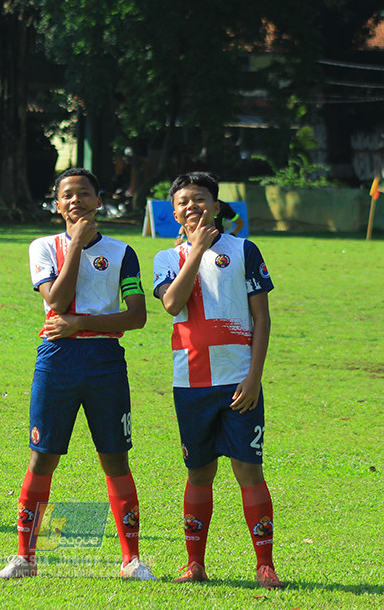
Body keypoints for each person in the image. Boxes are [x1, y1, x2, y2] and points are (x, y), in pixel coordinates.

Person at [0, 168, 156, 581]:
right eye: (68, 194)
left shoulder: (122, 253)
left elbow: (137, 316)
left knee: (115, 457)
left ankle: (131, 561)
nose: (76, 200)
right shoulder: (43, 247)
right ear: (57, 203)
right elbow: (57, 301)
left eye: (85, 193)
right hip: (57, 359)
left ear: (99, 201)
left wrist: (80, 324)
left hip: (105, 362)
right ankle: (25, 558)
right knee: (42, 456)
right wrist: (77, 246)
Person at [152, 171, 284, 589]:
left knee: (249, 470)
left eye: (200, 199)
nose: (192, 206)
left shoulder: (244, 249)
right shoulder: (164, 258)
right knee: (198, 473)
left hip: (238, 382)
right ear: (174, 212)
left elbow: (261, 318)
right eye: (183, 201)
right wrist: (195, 252)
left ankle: (265, 566)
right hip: (190, 383)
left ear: (216, 205)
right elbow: (172, 304)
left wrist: (254, 376)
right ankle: (195, 564)